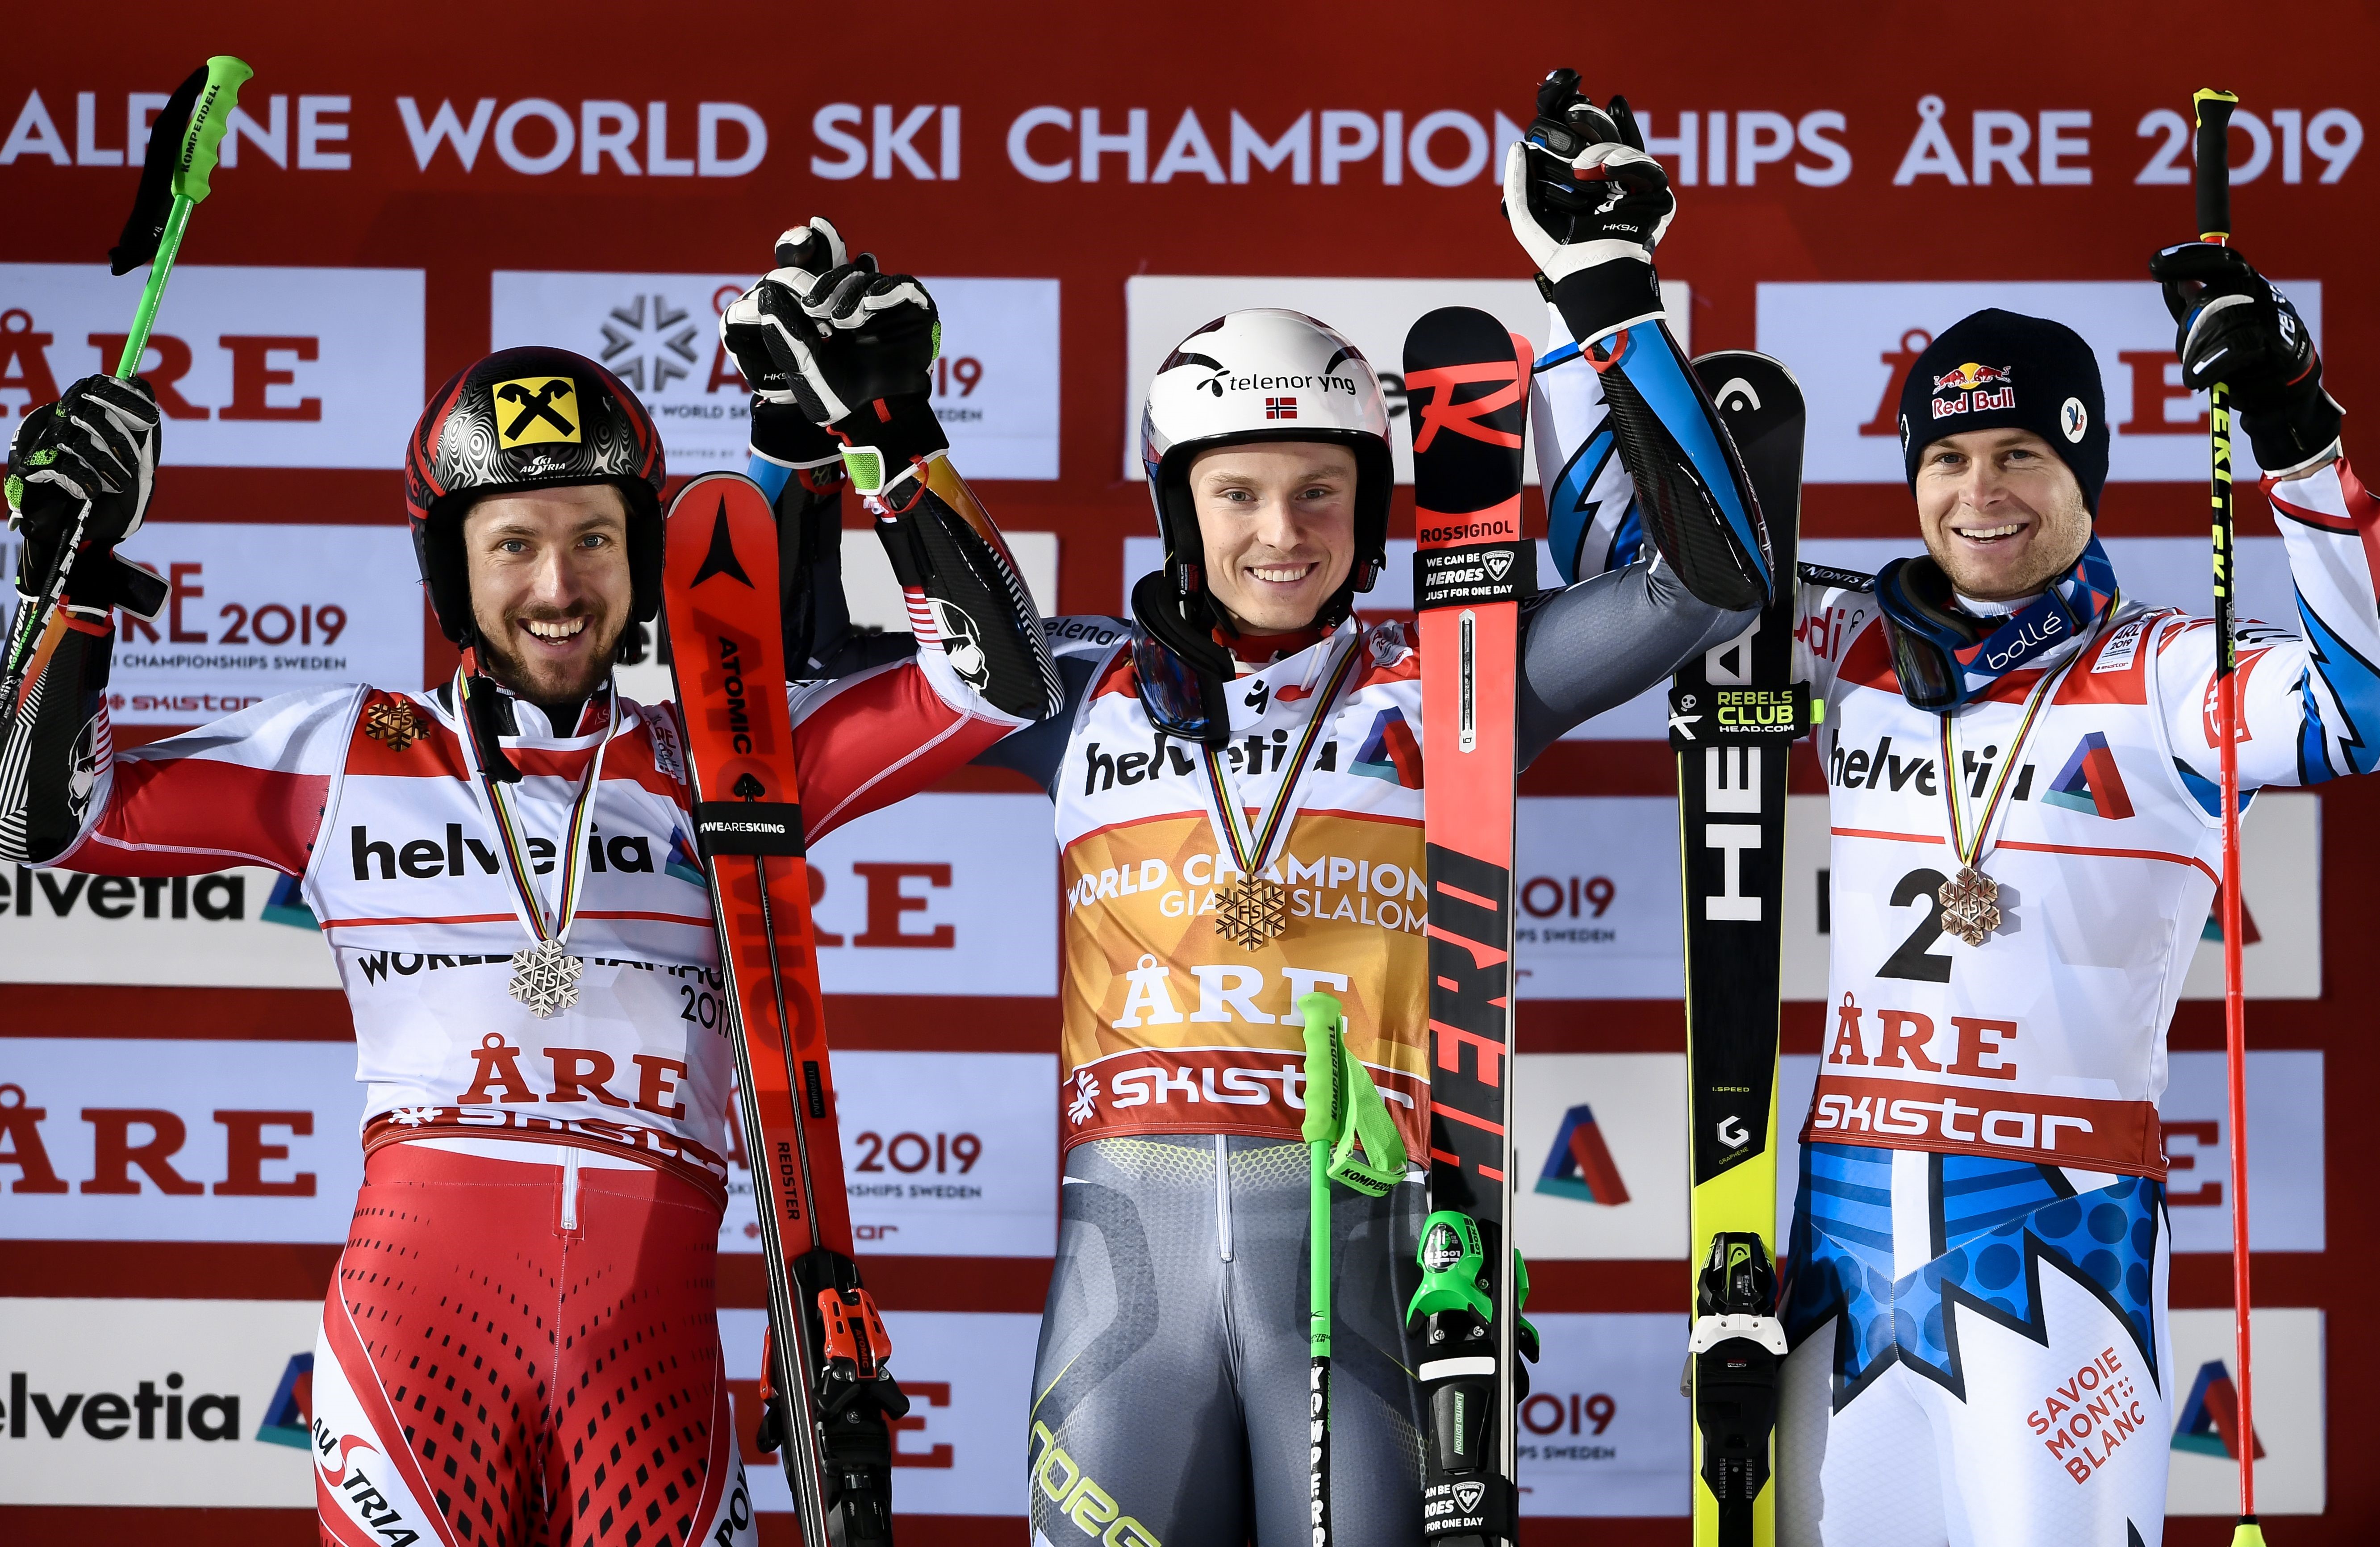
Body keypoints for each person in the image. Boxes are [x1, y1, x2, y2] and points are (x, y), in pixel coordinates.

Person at [721, 71, 1772, 1547]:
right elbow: (771, 677)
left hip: (1376, 1270)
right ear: (1177, 507)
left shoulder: (1456, 673)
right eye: (1239, 495)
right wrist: (800, 430)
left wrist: (1603, 292)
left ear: (1371, 508)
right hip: (1120, 1283)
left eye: (1321, 493)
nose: (1281, 533)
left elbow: (1708, 578)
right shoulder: (1072, 682)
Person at [0, 272, 1058, 1543]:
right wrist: (66, 578)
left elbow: (1000, 682)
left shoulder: (727, 755)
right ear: (450, 564)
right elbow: (38, 818)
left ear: (642, 554)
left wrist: (888, 436)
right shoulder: (352, 752)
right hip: (420, 1331)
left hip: (651, 1346)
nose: (559, 585)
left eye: (595, 538)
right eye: (513, 543)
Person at [1537, 223, 2375, 1539]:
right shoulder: (1846, 639)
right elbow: (1628, 570)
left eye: (2019, 455)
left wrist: (2291, 425)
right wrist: (1594, 288)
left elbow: (2357, 705)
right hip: (1837, 1249)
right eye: (1946, 457)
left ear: (2084, 471)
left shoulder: (2166, 673)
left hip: (2056, 1239)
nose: (1979, 491)